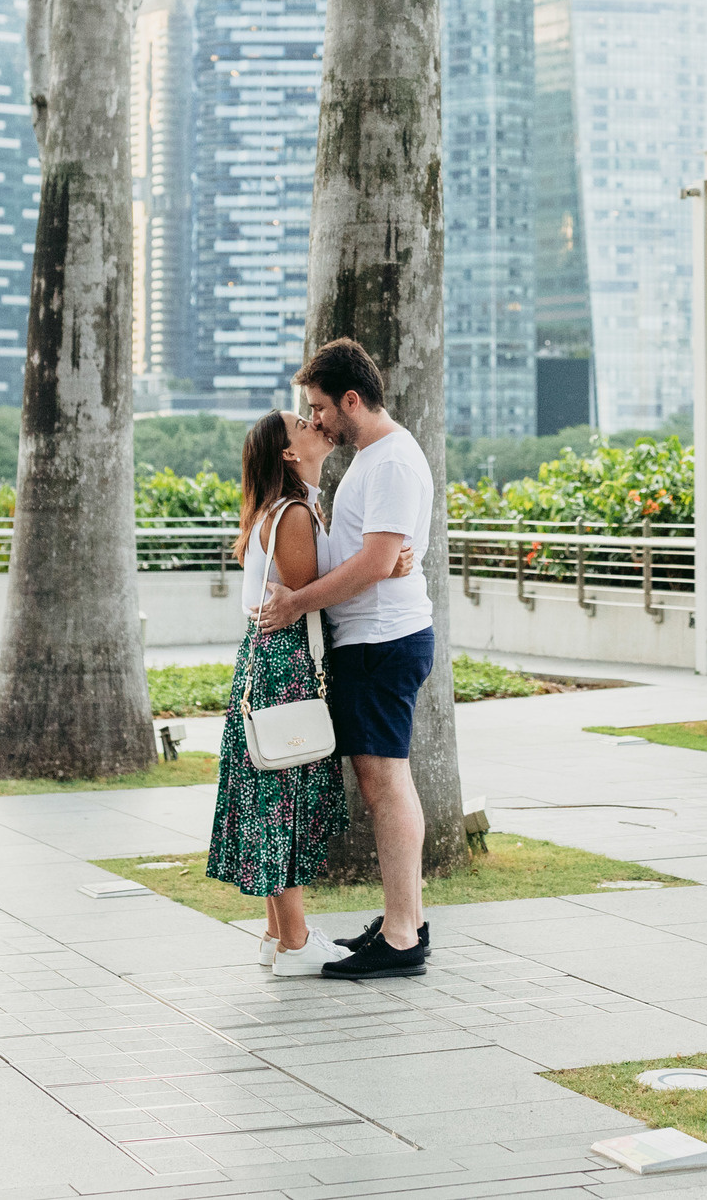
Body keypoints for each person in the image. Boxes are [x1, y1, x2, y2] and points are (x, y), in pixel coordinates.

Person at [257, 338, 436, 982]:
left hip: (382, 641)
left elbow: (377, 560)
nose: (316, 420)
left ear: (351, 400)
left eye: (320, 407)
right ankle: (402, 921)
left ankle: (402, 934)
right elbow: (379, 552)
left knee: (385, 780)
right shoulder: (371, 460)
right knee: (381, 777)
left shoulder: (388, 461)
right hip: (371, 639)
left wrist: (299, 599)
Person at [206, 412, 354, 975]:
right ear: (289, 453)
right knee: (284, 796)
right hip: (285, 660)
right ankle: (294, 941)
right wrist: (387, 568)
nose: (314, 423)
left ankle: (278, 934)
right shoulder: (292, 514)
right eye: (302, 423)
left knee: (274, 786)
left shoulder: (278, 508)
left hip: (264, 659)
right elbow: (313, 589)